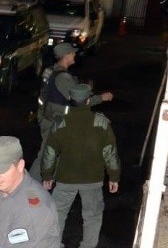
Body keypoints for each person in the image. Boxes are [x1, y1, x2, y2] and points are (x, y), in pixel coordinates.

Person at [40, 84, 121, 248]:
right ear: (87, 101)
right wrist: (114, 177)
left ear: (71, 100)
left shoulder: (61, 124)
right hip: (92, 180)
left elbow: (49, 153)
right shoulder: (101, 123)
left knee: (58, 214)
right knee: (92, 216)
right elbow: (110, 153)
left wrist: (47, 176)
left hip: (65, 179)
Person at [28, 42, 113, 180]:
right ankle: (31, 187)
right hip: (55, 122)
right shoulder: (63, 77)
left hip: (48, 118)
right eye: (72, 53)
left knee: (55, 154)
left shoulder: (50, 70)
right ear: (66, 55)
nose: (75, 54)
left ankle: (45, 184)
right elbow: (78, 101)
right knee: (47, 155)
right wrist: (101, 98)